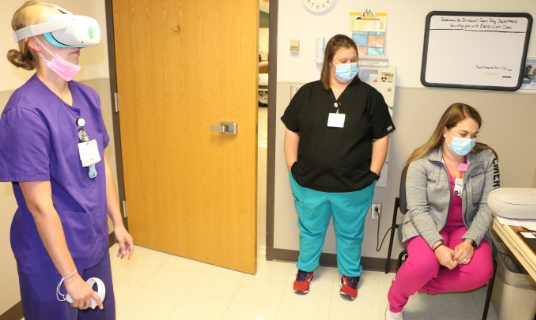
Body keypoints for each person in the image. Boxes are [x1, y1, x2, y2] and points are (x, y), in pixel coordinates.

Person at [0, 1, 134, 319]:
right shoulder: (25, 112)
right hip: (51, 257)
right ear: (34, 43)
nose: (77, 46)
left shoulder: (88, 96)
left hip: (92, 241)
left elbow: (101, 165)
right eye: (64, 35)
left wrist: (117, 222)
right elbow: (39, 205)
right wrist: (71, 277)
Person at [281, 34, 395, 300]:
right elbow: (291, 132)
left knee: (351, 233)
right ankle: (305, 270)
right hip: (309, 182)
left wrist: (373, 174)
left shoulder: (370, 97)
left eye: (354, 60)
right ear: (330, 62)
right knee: (310, 230)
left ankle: (350, 273)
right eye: (343, 60)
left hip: (354, 185)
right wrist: (292, 168)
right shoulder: (308, 93)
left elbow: (381, 138)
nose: (350, 64)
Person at [385, 103, 499, 320]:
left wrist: (470, 241)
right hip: (427, 225)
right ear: (445, 131)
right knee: (424, 264)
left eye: (474, 135)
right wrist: (437, 246)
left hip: (466, 227)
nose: (469, 140)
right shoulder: (421, 162)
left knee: (481, 272)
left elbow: (487, 206)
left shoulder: (486, 159)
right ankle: (395, 304)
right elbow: (417, 210)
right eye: (463, 134)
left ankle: (408, 283)